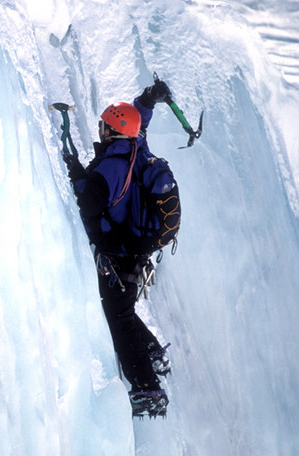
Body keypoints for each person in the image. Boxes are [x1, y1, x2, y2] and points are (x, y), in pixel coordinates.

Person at [62, 80, 178, 417]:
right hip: (135, 252)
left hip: (119, 255)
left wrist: (74, 170)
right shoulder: (137, 148)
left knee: (118, 316)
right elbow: (137, 119)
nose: (100, 129)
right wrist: (147, 99)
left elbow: (90, 201)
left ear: (112, 131)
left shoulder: (114, 164)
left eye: (103, 126)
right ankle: (153, 354)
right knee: (122, 311)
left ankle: (146, 387)